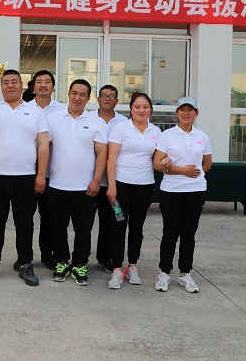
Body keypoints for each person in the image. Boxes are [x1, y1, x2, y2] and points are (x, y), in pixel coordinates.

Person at [0, 69, 49, 287]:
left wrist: (40, 174)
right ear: (1, 86)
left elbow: (43, 144)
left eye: (14, 81)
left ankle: (25, 263)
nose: (10, 85)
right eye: (5, 82)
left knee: (25, 223)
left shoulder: (35, 111)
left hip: (26, 177)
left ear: (22, 85)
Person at [46, 79, 108, 286]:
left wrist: (96, 180)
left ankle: (80, 264)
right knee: (58, 229)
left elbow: (102, 154)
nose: (77, 98)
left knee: (83, 231)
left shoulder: (96, 122)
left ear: (88, 98)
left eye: (82, 94)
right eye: (74, 93)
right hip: (57, 185)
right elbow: (44, 148)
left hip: (85, 188)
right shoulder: (53, 119)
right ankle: (61, 262)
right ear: (68, 93)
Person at [152, 96, 212, 293]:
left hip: (196, 191)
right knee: (170, 233)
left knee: (189, 234)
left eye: (190, 110)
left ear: (196, 113)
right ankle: (164, 272)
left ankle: (185, 273)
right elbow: (158, 163)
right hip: (171, 191)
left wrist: (194, 176)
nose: (186, 113)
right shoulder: (166, 135)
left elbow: (207, 164)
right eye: (182, 110)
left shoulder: (202, 136)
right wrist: (182, 171)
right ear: (176, 113)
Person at [105, 92, 161, 289]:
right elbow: (111, 159)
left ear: (150, 110)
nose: (141, 110)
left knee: (137, 228)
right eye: (137, 106)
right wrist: (112, 186)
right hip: (121, 186)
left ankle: (133, 266)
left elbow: (159, 157)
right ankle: (117, 269)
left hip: (144, 186)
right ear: (131, 109)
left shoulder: (156, 131)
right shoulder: (121, 128)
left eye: (145, 107)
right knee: (118, 226)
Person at [24, 69, 65, 271]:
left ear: (53, 87)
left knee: (49, 218)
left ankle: (47, 254)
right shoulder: (24, 108)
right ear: (33, 87)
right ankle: (24, 256)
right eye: (39, 81)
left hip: (52, 174)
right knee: (25, 217)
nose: (43, 85)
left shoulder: (62, 110)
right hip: (27, 172)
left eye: (47, 81)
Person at [94, 85, 127, 273]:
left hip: (113, 183)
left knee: (110, 222)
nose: (107, 99)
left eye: (111, 96)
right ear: (98, 99)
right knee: (84, 223)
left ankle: (105, 257)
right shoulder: (88, 118)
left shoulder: (124, 123)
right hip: (91, 181)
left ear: (117, 101)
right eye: (104, 95)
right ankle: (79, 259)